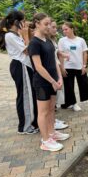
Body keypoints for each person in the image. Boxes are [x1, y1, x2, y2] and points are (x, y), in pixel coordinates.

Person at [29, 13, 69, 152]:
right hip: (42, 83)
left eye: (48, 24)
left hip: (53, 81)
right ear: (37, 23)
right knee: (43, 112)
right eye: (45, 24)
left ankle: (52, 133)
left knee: (52, 109)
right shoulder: (34, 43)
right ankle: (45, 140)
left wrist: (59, 78)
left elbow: (54, 61)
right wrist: (52, 81)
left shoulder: (47, 40)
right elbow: (38, 67)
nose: (48, 27)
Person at [0, 10, 38, 134]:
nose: (25, 24)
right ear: (16, 22)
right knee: (25, 96)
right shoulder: (10, 36)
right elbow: (27, 51)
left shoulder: (16, 35)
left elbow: (29, 45)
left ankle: (31, 122)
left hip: (24, 66)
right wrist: (25, 36)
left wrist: (28, 34)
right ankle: (24, 127)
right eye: (23, 21)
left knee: (29, 95)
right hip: (20, 66)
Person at [58, 22, 88, 111]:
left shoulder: (81, 40)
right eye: (63, 30)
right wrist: (62, 68)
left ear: (72, 29)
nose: (64, 31)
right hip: (68, 67)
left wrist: (84, 65)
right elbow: (60, 55)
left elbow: (84, 53)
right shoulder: (62, 40)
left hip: (79, 66)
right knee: (69, 86)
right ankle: (73, 103)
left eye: (66, 29)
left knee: (85, 84)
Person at [48, 19, 69, 130]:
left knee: (56, 96)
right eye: (53, 27)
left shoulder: (53, 40)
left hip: (56, 69)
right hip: (52, 71)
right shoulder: (45, 41)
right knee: (52, 98)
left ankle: (54, 119)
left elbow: (56, 52)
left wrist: (63, 55)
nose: (56, 30)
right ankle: (52, 122)